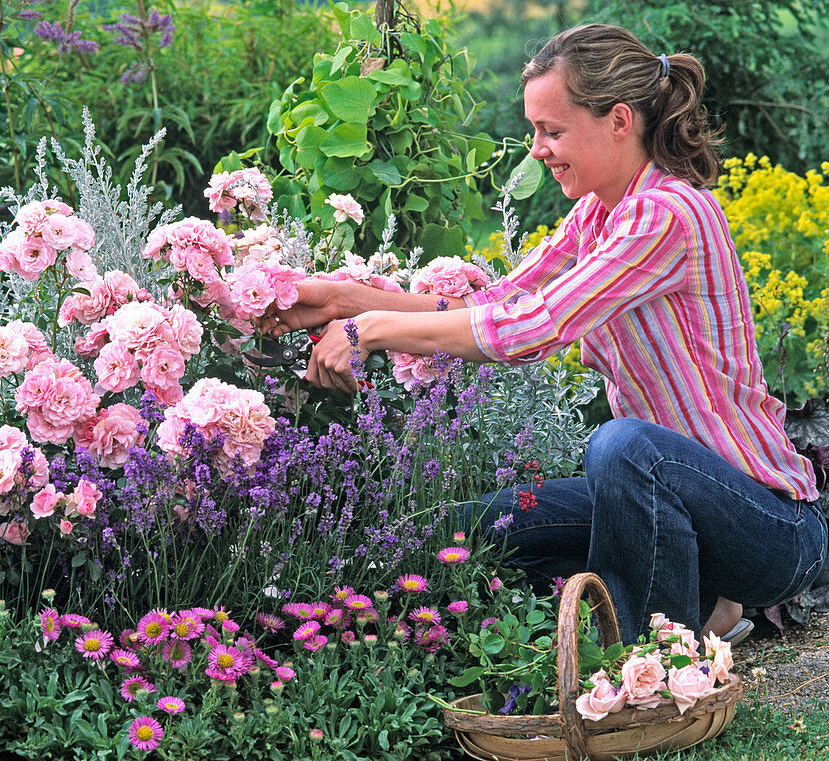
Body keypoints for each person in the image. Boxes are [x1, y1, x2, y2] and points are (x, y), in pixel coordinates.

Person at [271, 24, 827, 644]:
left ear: (619, 120)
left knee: (622, 447)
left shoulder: (669, 214)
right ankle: (700, 608)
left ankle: (648, 664)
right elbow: (498, 302)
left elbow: (536, 328)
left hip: (770, 529)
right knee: (457, 530)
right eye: (537, 130)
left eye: (552, 130)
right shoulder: (597, 212)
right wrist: (346, 298)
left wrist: (372, 329)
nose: (537, 148)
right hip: (665, 509)